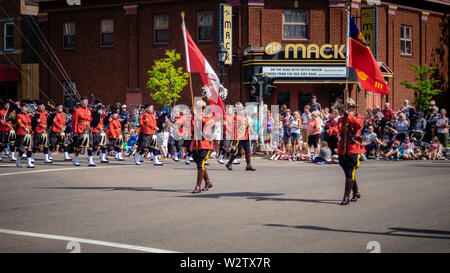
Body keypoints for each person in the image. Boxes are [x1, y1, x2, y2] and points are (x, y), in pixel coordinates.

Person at [329, 98, 365, 205]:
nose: (349, 109)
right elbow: (337, 128)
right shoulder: (341, 120)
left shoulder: (358, 118)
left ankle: (346, 197)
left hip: (353, 149)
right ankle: (356, 192)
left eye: (351, 107)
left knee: (349, 173)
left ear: (354, 108)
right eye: (347, 107)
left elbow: (358, 125)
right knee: (348, 173)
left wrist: (348, 115)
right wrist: (329, 131)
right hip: (342, 149)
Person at [191, 100, 214, 193]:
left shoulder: (208, 117)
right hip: (196, 143)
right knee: (199, 163)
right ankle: (208, 182)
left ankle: (198, 186)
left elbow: (206, 129)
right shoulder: (195, 117)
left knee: (201, 163)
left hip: (205, 144)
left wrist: (199, 118)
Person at [226, 102, 256, 171]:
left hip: (246, 136)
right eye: (239, 109)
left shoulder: (245, 116)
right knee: (237, 151)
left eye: (241, 109)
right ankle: (229, 163)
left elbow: (248, 125)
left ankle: (249, 165)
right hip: (239, 137)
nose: (241, 110)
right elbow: (234, 128)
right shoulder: (235, 117)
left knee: (248, 151)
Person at [71, 96, 96, 167]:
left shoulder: (89, 110)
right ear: (81, 102)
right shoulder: (77, 110)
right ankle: (76, 159)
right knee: (78, 147)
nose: (86, 103)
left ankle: (90, 160)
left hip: (88, 130)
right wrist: (75, 132)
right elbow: (74, 122)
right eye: (84, 101)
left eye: (87, 101)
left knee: (90, 146)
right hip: (80, 129)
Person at [15, 103, 35, 168]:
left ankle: (29, 163)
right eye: (22, 107)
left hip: (29, 133)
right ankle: (18, 160)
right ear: (20, 108)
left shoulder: (29, 115)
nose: (24, 109)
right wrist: (25, 128)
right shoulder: (18, 115)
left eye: (25, 107)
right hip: (22, 132)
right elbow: (19, 123)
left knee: (29, 148)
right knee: (23, 148)